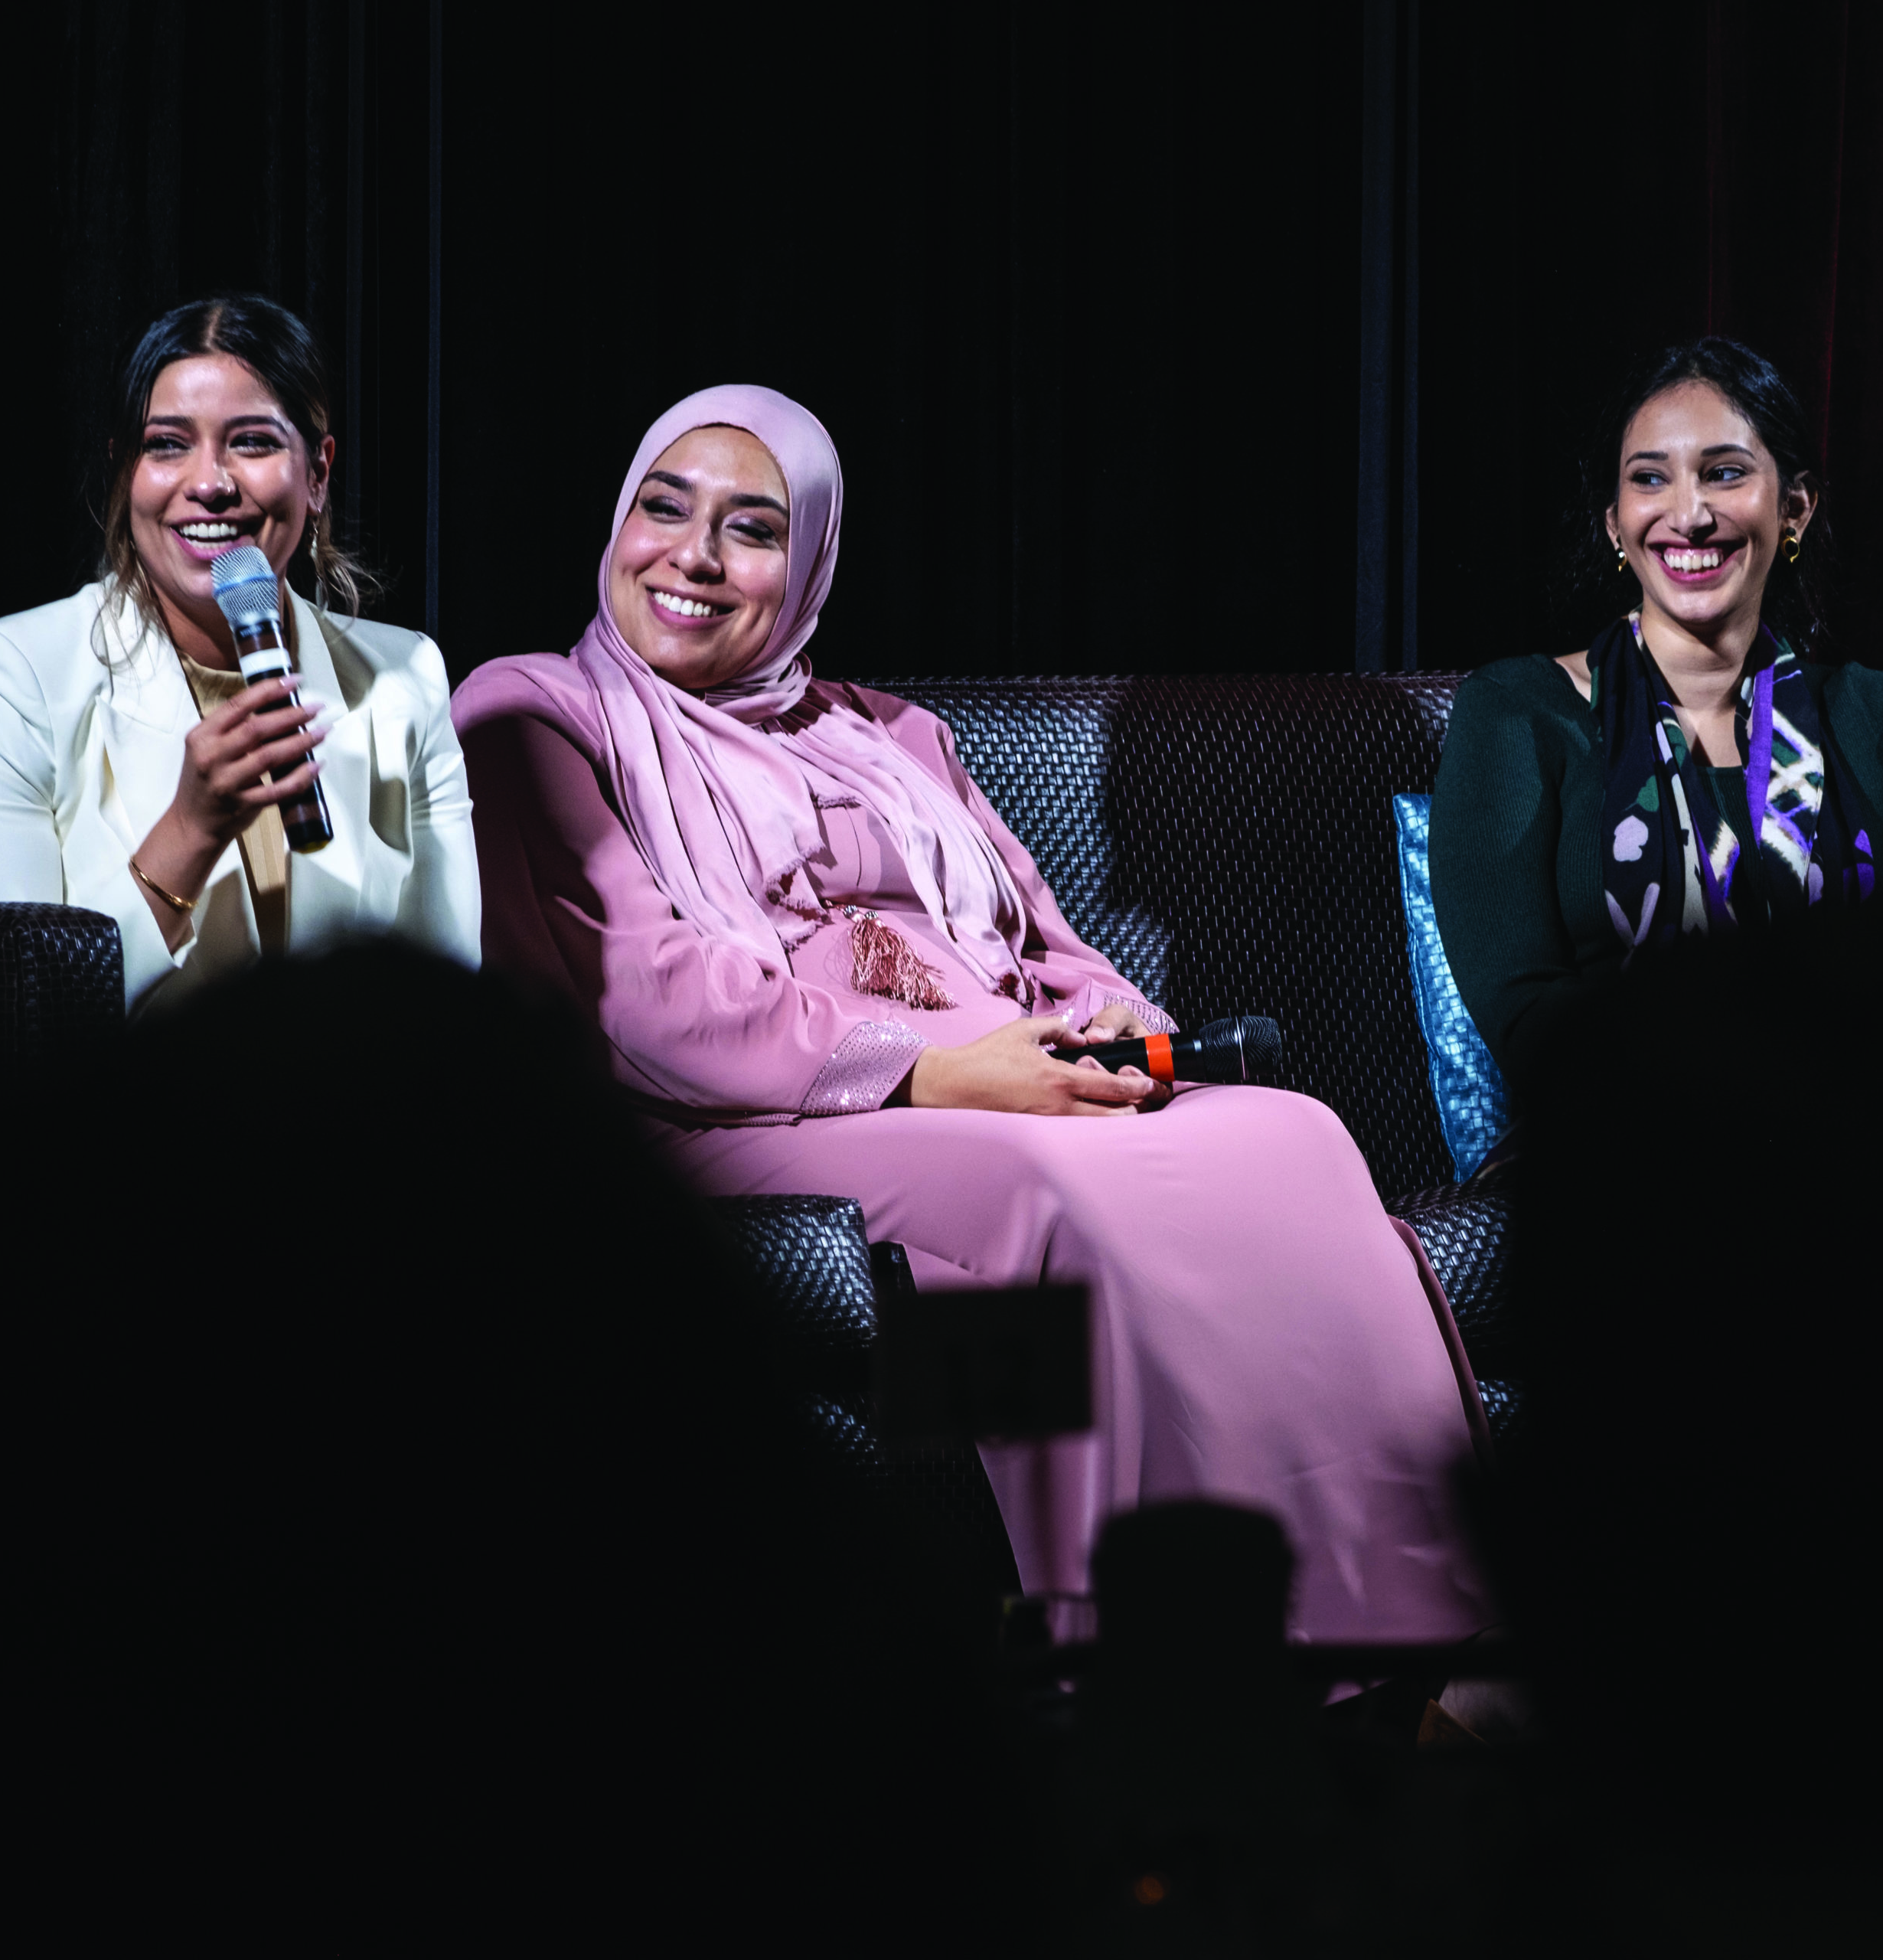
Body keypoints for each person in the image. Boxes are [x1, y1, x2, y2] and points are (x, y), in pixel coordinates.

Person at [451, 385, 1490, 1641]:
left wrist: (1112, 1038)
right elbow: (646, 994)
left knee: (1294, 1134)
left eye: (753, 528)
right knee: (1051, 1189)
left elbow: (1051, 952)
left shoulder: (897, 736)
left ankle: (1413, 1628)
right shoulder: (535, 710)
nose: (695, 558)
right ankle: (1150, 1655)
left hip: (1010, 1077)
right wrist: (938, 1071)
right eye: (663, 511)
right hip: (748, 1112)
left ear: (812, 561)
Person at [0, 296, 480, 1008]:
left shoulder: (407, 679)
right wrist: (192, 828)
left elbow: (448, 1008)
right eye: (167, 444)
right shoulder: (5, 679)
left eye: (252, 442)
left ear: (317, 473)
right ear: (126, 472)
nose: (210, 483)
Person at [1431, 338, 1881, 1086]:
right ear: (1615, 523)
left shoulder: (1864, 710)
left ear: (1794, 508)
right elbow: (1526, 1020)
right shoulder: (1520, 715)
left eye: (1725, 473)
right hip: (1625, 1146)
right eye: (1650, 479)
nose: (1689, 513)